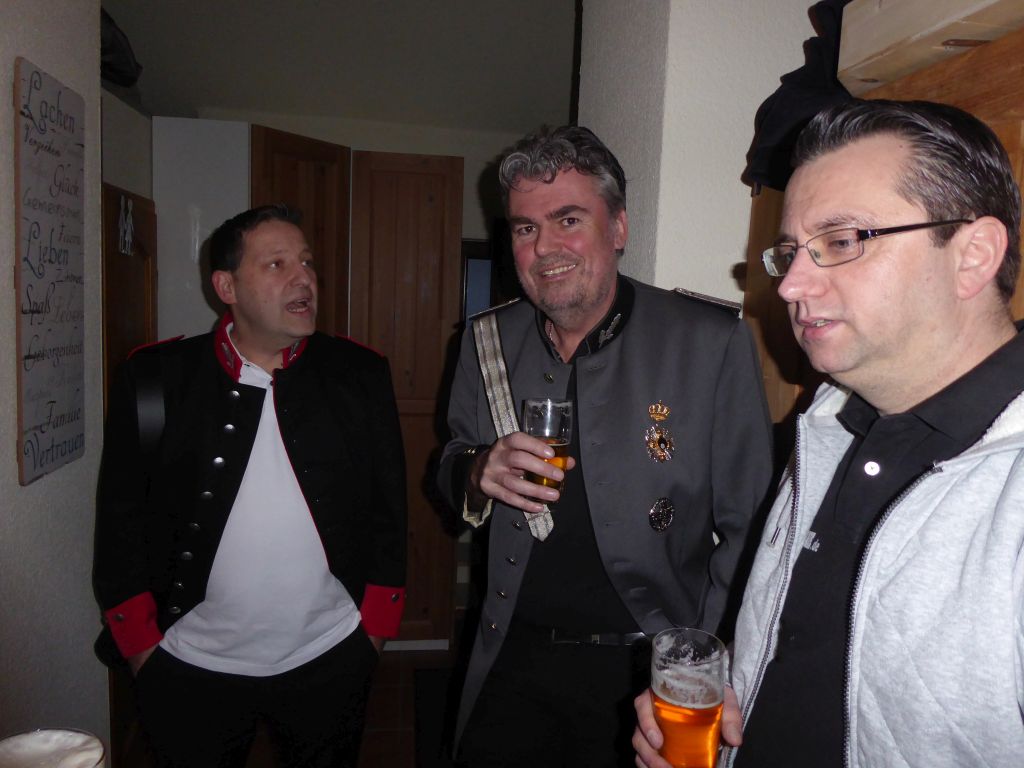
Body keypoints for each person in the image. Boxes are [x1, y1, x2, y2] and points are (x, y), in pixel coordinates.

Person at [634, 99, 1024, 768]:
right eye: (789, 252)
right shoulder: (825, 427)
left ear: (974, 255)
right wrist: (731, 706)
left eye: (841, 242)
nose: (789, 286)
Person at [437, 125, 774, 767]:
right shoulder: (486, 341)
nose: (544, 247)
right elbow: (451, 461)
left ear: (618, 228)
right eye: (525, 228)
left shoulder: (708, 341)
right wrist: (477, 470)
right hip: (512, 654)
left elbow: (751, 526)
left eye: (568, 219)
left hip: (644, 669)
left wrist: (705, 662)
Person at [93, 204, 407, 768]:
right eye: (277, 264)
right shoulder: (154, 378)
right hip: (189, 661)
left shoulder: (359, 373)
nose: (303, 277)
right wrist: (142, 650)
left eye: (307, 262)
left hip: (331, 653)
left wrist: (374, 633)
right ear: (226, 287)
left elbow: (390, 511)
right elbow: (120, 522)